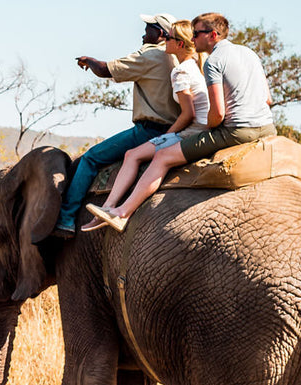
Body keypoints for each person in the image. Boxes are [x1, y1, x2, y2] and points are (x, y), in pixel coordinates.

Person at [88, 12, 276, 232]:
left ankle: (121, 212)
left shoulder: (213, 61)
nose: (193, 38)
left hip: (236, 131)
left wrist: (204, 133)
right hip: (267, 127)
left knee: (163, 157)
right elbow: (267, 99)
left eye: (197, 33)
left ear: (213, 35)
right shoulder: (249, 53)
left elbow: (217, 115)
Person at [55, 13, 182, 238]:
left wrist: (89, 60)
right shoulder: (179, 57)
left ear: (161, 34)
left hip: (150, 130)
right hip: (177, 130)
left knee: (90, 158)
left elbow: (106, 70)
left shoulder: (151, 55)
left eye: (148, 29)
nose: (143, 34)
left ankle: (66, 218)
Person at [81, 18, 208, 232]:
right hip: (198, 129)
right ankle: (111, 208)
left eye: (169, 37)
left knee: (132, 155)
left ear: (179, 44)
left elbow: (188, 114)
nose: (164, 39)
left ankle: (113, 209)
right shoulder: (194, 66)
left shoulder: (181, 72)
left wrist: (166, 137)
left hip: (192, 132)